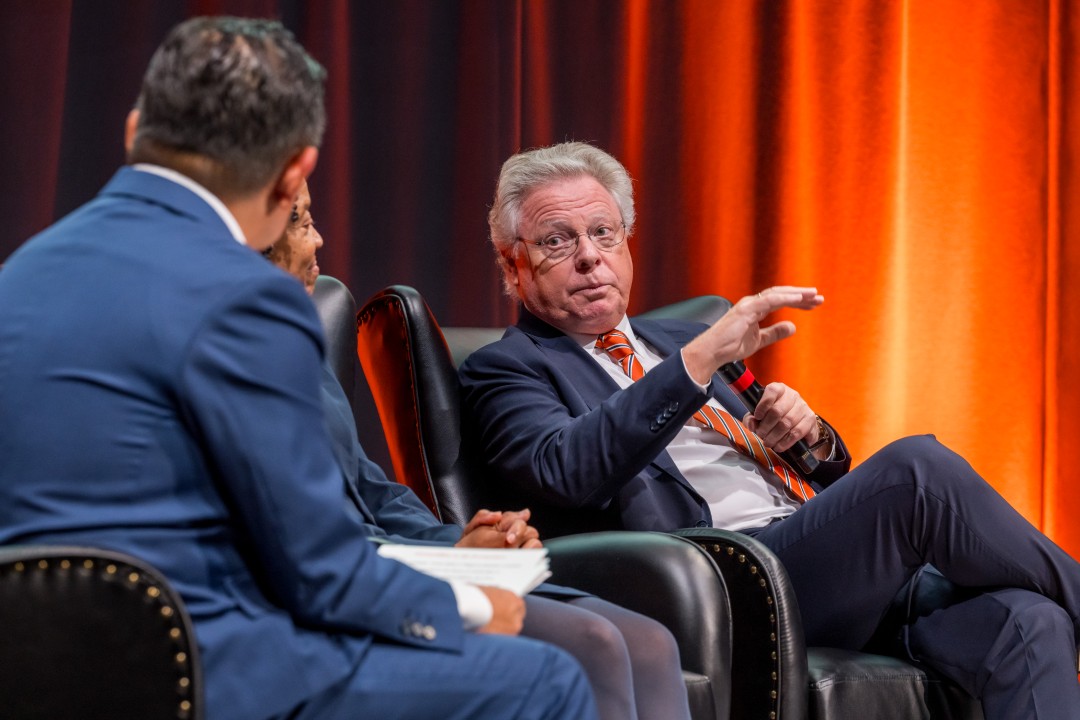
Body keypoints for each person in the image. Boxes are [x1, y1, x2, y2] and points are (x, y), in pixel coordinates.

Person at [0, 19, 597, 720]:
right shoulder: (248, 295)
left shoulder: (20, 275)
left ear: (136, 130)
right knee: (543, 680)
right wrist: (467, 605)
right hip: (198, 669)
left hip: (32, 673)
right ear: (294, 175)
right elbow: (323, 569)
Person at [458, 140, 1080, 720]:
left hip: (830, 561)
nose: (590, 255)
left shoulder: (670, 339)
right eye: (558, 241)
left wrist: (808, 436)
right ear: (515, 268)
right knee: (917, 470)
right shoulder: (508, 367)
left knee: (1028, 620)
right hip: (732, 580)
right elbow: (565, 471)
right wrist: (695, 364)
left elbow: (829, 472)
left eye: (603, 232)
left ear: (626, 243)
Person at [264, 179, 692, 720]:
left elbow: (372, 490)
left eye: (604, 233)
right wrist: (449, 568)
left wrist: (459, 543)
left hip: (403, 560)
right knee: (595, 642)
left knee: (651, 642)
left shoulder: (296, 343)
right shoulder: (508, 368)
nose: (320, 238)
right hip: (349, 578)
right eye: (302, 220)